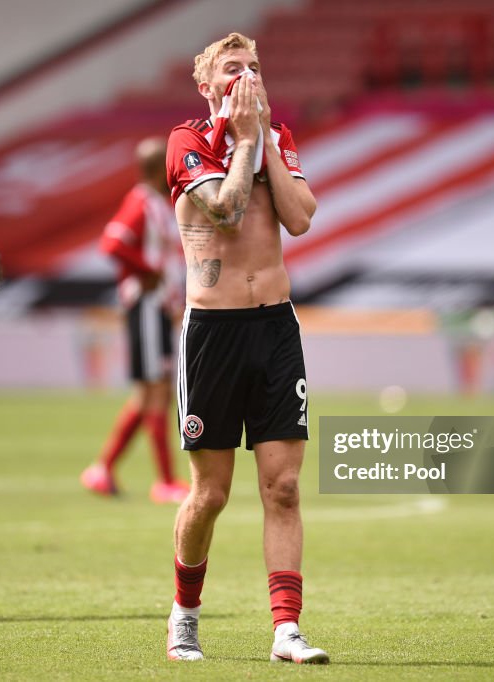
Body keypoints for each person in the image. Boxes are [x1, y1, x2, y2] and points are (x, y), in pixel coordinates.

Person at [162, 32, 328, 664]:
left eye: (256, 67)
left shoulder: (277, 138)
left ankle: (286, 629)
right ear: (207, 86)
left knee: (283, 487)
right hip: (214, 334)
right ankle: (185, 615)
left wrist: (264, 142)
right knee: (210, 494)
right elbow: (227, 210)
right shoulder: (187, 143)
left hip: (275, 327)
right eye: (234, 69)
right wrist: (244, 141)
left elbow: (302, 216)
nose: (249, 77)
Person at [80, 137, 191, 504]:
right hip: (144, 304)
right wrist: (148, 272)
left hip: (155, 306)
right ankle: (165, 480)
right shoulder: (141, 202)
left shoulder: (156, 204)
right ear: (161, 167)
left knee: (148, 394)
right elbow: (112, 243)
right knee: (155, 390)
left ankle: (103, 470)